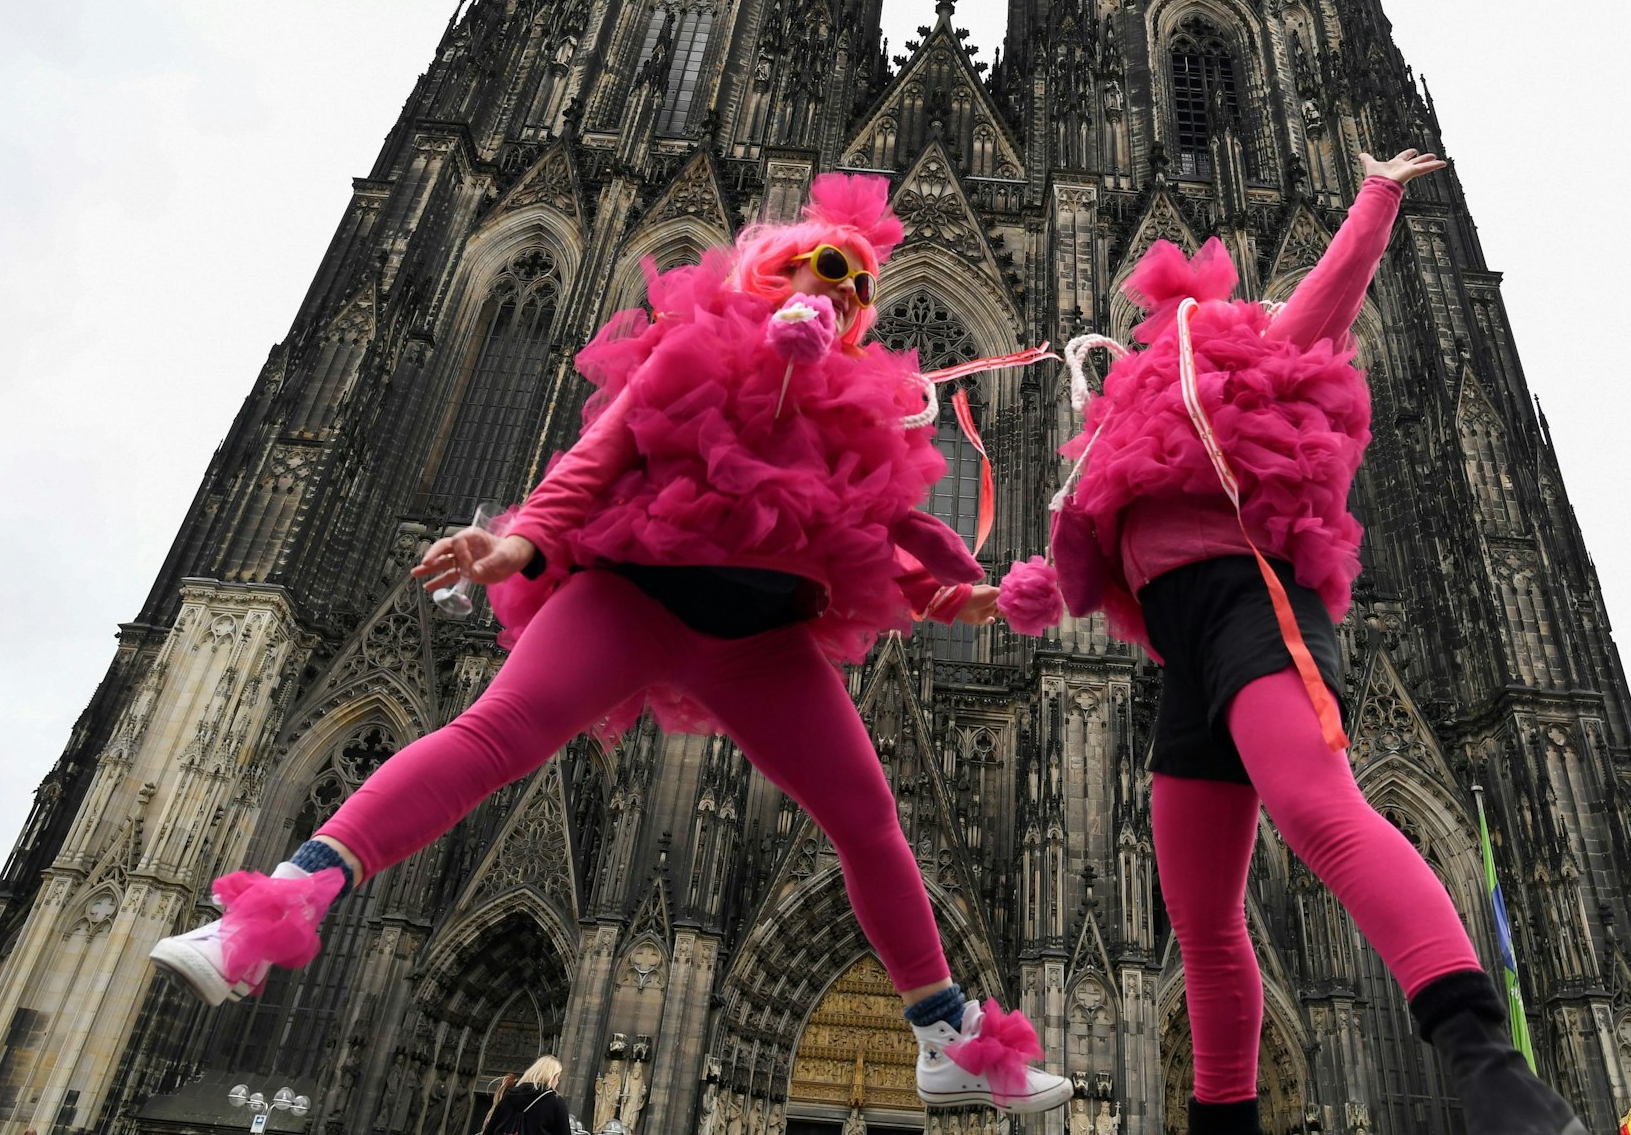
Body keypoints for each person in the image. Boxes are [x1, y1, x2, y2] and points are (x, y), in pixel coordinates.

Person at [148, 175, 1070, 1115]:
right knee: (494, 733)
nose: (838, 292)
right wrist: (510, 546)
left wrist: (984, 597)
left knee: (869, 819)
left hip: (759, 639)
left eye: (857, 286)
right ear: (772, 272)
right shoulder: (692, 357)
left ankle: (944, 1036)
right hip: (632, 596)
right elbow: (593, 463)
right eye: (822, 268)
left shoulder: (859, 409)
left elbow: (885, 539)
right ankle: (272, 908)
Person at [1042, 150, 1588, 1135]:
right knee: (1201, 915)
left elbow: (1324, 305)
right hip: (1186, 669)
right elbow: (1074, 567)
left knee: (1317, 813)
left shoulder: (1235, 381)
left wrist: (1375, 192)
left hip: (1258, 620)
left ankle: (1486, 1063)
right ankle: (1224, 1120)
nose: (1150, 344)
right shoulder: (1114, 454)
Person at [483, 1058, 572, 1135]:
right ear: (551, 1077)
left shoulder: (510, 1095)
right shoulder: (555, 1101)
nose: (557, 1082)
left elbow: (490, 1130)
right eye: (557, 1078)